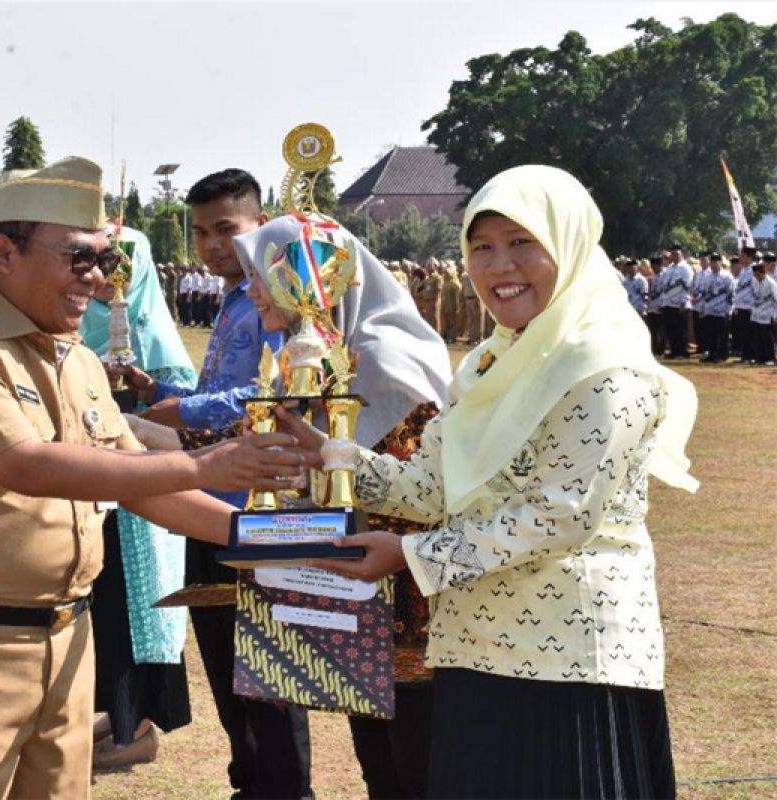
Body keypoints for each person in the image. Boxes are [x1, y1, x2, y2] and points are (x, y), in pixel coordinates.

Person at [0, 157, 302, 800]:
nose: (97, 279)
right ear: (4, 253)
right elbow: (24, 464)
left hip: (66, 645)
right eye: (79, 259)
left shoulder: (78, 360)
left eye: (106, 261)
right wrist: (204, 463)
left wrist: (279, 541)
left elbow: (138, 484)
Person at [280, 165, 696, 799]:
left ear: (570, 242)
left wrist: (411, 556)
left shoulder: (606, 368)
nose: (500, 265)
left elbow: (560, 516)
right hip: (477, 649)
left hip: (570, 660)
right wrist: (334, 459)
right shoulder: (490, 361)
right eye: (481, 247)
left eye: (522, 241)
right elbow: (434, 486)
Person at [233, 211, 453, 800]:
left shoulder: (383, 363)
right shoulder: (309, 357)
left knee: (418, 771)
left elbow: (419, 493)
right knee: (380, 769)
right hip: (355, 597)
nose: (251, 287)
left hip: (412, 612)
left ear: (312, 277)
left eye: (263, 273)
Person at [117, 169, 310, 800]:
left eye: (226, 228)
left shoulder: (282, 296)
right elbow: (211, 398)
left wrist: (181, 413)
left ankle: (284, 790)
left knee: (269, 674)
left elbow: (283, 390)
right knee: (227, 667)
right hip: (207, 504)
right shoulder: (232, 299)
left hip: (260, 505)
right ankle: (248, 784)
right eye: (200, 232)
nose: (210, 245)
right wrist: (159, 394)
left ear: (261, 222)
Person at [79, 226, 197, 768]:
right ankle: (112, 716)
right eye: (98, 264)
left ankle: (137, 726)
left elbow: (187, 407)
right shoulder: (77, 319)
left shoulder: (155, 330)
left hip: (142, 496)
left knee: (135, 604)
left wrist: (141, 388)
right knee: (101, 604)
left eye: (118, 266)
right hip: (93, 487)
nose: (106, 280)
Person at [660, 243, 692, 358]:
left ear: (681, 254)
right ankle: (674, 351)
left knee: (681, 330)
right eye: (672, 254)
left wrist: (683, 302)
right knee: (671, 329)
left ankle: (682, 351)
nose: (674, 256)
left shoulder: (686, 268)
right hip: (668, 303)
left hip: (680, 304)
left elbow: (687, 287)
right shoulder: (669, 269)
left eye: (677, 254)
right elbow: (665, 286)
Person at [699, 255, 733, 363]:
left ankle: (722, 355)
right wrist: (703, 309)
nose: (713, 265)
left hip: (722, 310)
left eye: (715, 263)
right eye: (711, 263)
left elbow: (731, 294)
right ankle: (712, 354)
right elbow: (704, 295)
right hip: (709, 310)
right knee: (711, 334)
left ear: (720, 263)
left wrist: (729, 310)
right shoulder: (708, 278)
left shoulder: (727, 277)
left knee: (721, 334)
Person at [731, 248, 757, 362]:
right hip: (741, 306)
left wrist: (753, 306)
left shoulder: (754, 270)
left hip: (749, 307)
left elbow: (756, 290)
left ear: (749, 257)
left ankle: (752, 356)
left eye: (742, 256)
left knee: (750, 333)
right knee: (743, 333)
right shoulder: (743, 270)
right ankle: (745, 355)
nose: (740, 258)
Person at [749, 260, 777, 365]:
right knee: (757, 338)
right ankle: (759, 357)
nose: (756, 277)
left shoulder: (770, 283)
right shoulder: (755, 282)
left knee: (767, 339)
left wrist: (774, 315)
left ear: (763, 273)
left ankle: (770, 358)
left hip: (767, 315)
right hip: (756, 314)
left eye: (757, 274)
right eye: (755, 275)